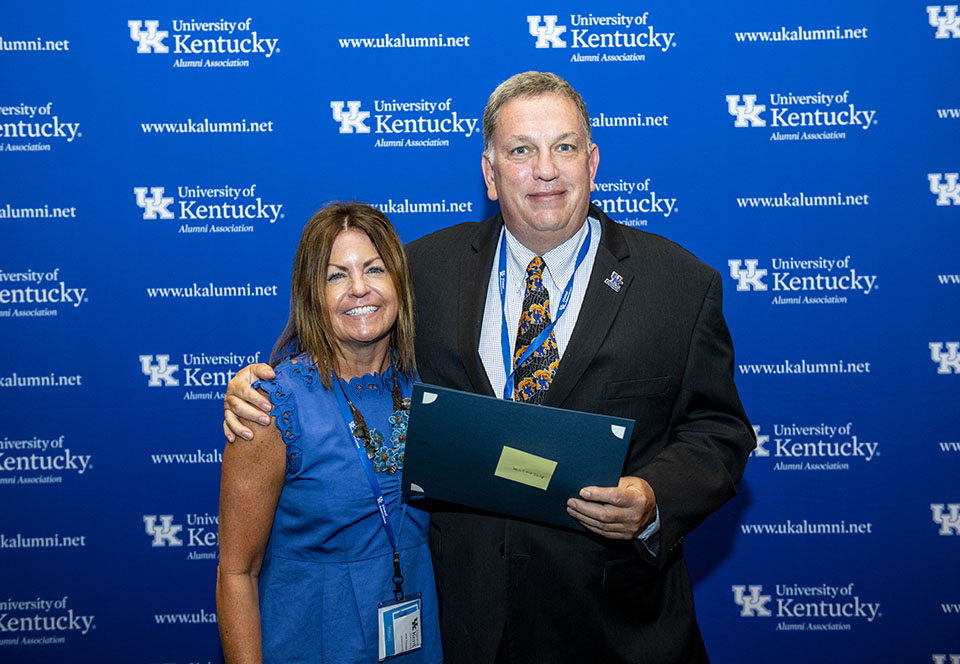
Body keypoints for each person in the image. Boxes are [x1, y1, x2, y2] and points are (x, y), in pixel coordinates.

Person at [224, 72, 755, 663]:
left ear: (592, 161)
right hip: (465, 628)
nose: (545, 170)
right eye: (521, 150)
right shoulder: (424, 270)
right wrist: (256, 386)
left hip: (617, 631)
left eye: (564, 147)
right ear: (490, 172)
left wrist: (653, 496)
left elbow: (720, 432)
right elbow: (340, 338)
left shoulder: (679, 284)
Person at [216, 202, 442, 664]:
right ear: (311, 294)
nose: (359, 288)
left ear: (399, 282)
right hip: (313, 645)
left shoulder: (430, 387)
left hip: (420, 646)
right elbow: (237, 573)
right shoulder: (270, 407)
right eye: (336, 276)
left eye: (374, 269)